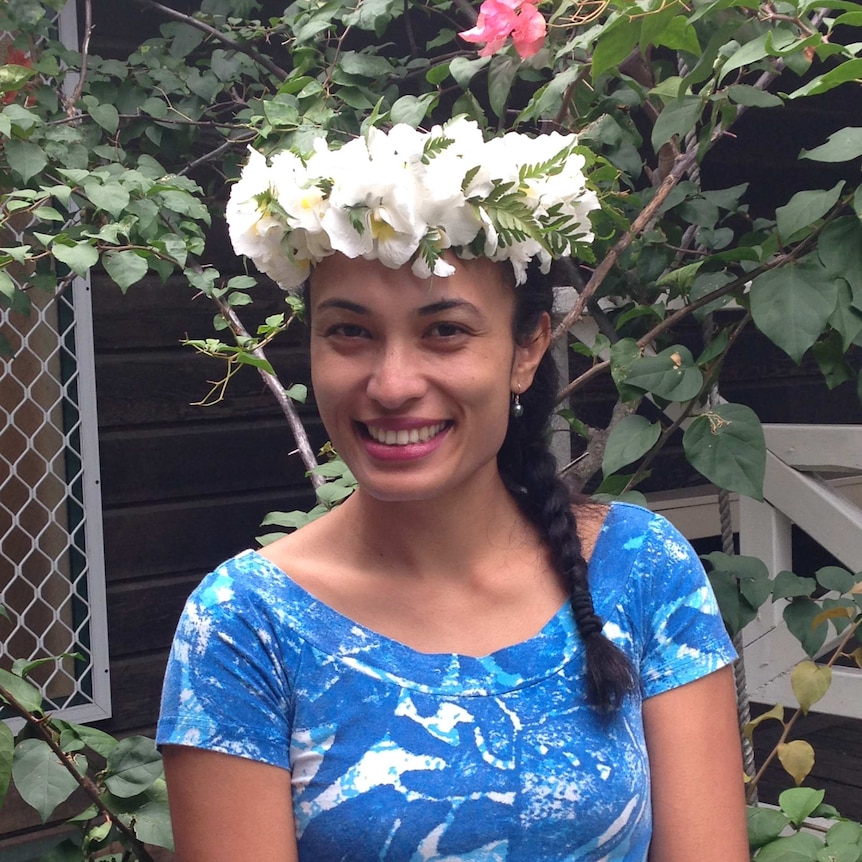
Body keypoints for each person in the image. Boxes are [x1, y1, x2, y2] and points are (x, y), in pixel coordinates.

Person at [157, 119, 749, 862]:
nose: (393, 384)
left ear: (526, 348)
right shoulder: (245, 627)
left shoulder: (639, 569)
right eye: (349, 332)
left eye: (445, 333)